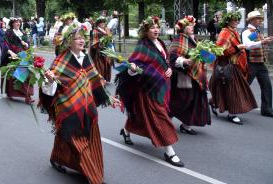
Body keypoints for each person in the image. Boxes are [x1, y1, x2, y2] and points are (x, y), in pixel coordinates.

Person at [39, 23, 120, 184]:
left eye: (83, 38)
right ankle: (94, 178)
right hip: (68, 108)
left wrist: (108, 98)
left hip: (87, 107)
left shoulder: (86, 57)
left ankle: (57, 157)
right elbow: (49, 87)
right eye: (77, 38)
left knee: (83, 138)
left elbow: (94, 80)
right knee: (78, 141)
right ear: (69, 41)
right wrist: (49, 80)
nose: (81, 41)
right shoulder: (61, 60)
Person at [115, 16, 184, 167]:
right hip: (147, 88)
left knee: (141, 114)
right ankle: (169, 152)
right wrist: (133, 69)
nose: (156, 30)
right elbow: (134, 66)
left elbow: (164, 62)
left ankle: (126, 131)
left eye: (157, 27)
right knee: (160, 117)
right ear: (145, 31)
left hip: (161, 86)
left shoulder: (160, 43)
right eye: (152, 28)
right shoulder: (142, 46)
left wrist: (170, 69)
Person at [208, 11, 257, 124]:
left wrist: (262, 41)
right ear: (228, 21)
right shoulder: (225, 32)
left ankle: (214, 102)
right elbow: (220, 51)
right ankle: (232, 114)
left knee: (230, 89)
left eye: (237, 20)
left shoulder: (235, 31)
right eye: (234, 20)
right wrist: (237, 48)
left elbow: (247, 43)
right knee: (233, 89)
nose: (236, 22)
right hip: (227, 65)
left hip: (236, 64)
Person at [168, 16, 211, 135]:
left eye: (192, 25)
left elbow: (200, 54)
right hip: (184, 75)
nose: (192, 27)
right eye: (189, 26)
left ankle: (186, 125)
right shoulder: (179, 39)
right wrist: (184, 61)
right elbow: (172, 57)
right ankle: (165, 120)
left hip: (196, 76)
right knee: (181, 101)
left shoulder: (193, 39)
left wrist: (210, 56)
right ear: (183, 28)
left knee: (194, 102)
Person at [242, 10, 273, 117]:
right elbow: (248, 45)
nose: (260, 20)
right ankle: (227, 102)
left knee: (267, 85)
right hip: (251, 63)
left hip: (260, 62)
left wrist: (265, 40)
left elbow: (255, 43)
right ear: (252, 20)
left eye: (260, 18)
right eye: (258, 18)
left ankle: (267, 110)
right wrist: (262, 41)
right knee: (243, 86)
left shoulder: (256, 31)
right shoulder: (247, 31)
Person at [0, 18, 33, 104]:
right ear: (12, 23)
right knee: (15, 75)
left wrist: (26, 44)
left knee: (25, 74)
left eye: (19, 22)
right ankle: (11, 93)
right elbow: (4, 43)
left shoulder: (23, 32)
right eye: (16, 22)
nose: (18, 23)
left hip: (24, 55)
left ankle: (27, 96)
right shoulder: (9, 32)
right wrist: (10, 52)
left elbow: (28, 44)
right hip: (14, 55)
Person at [89, 16, 113, 82]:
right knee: (100, 65)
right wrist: (99, 44)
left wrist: (109, 39)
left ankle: (105, 78)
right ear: (98, 23)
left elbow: (110, 37)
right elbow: (94, 40)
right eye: (101, 23)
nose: (102, 24)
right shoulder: (95, 30)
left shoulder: (106, 29)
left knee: (107, 64)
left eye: (103, 23)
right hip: (98, 50)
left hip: (106, 49)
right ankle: (100, 79)